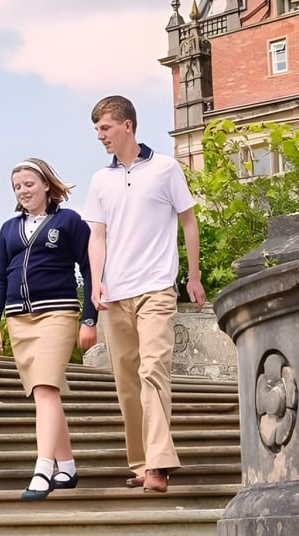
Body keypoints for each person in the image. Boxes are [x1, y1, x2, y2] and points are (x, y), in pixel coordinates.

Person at [82, 95, 206, 493]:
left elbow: (188, 222)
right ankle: (140, 463)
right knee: (126, 382)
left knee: (153, 371)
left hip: (156, 288)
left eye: (105, 127)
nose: (100, 136)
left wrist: (193, 276)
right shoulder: (100, 180)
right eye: (97, 129)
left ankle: (158, 464)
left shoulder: (166, 169)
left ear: (127, 126)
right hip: (114, 295)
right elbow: (96, 236)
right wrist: (95, 282)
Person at [0, 158, 98, 501]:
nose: (23, 191)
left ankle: (43, 468)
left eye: (29, 184)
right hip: (19, 320)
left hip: (58, 314)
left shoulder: (69, 221)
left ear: (46, 184)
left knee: (45, 388)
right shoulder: (8, 229)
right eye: (17, 187)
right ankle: (67, 466)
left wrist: (89, 318)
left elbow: (90, 267)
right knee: (44, 392)